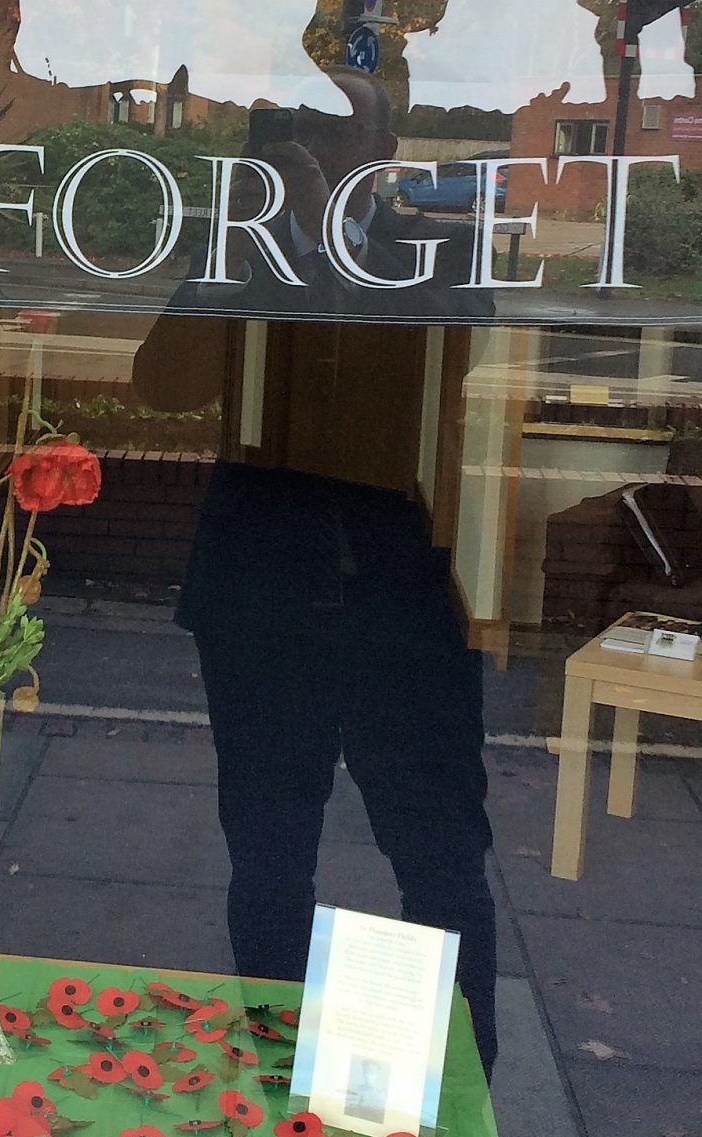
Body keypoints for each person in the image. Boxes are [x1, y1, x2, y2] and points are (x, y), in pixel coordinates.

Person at [133, 66, 499, 1076]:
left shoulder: (436, 252)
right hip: (261, 595)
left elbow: (423, 386)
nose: (320, 149)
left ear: (383, 154)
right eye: (301, 128)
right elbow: (161, 385)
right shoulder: (242, 251)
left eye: (344, 131)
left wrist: (313, 245)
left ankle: (461, 1105)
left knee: (438, 858)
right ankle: (270, 1083)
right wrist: (256, 237)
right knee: (268, 857)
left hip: (406, 599)